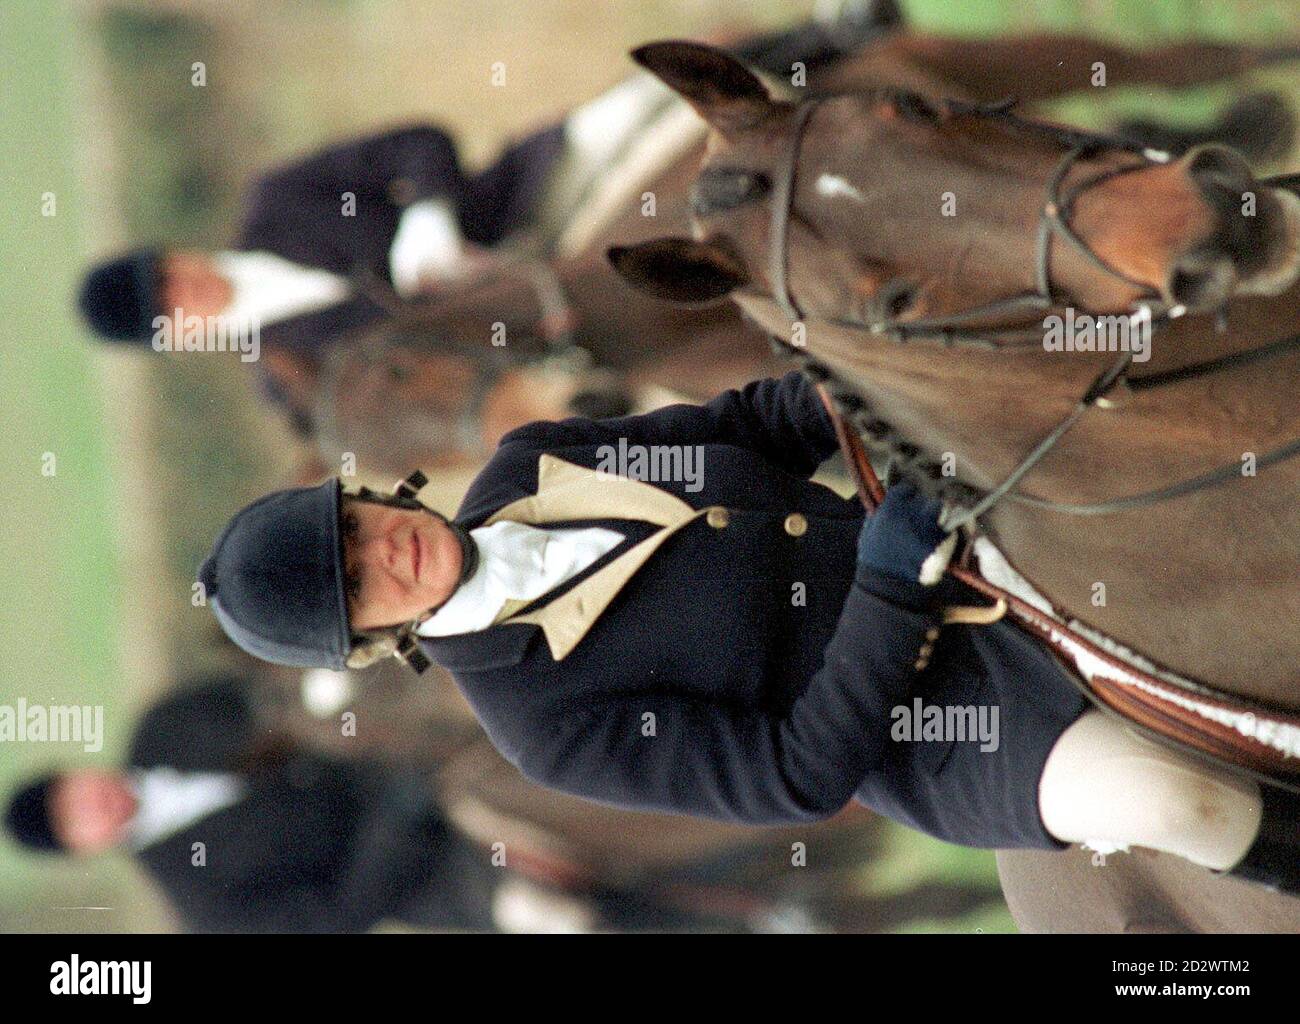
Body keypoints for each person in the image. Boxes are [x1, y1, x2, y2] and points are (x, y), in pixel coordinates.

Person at [197, 371, 1300, 898]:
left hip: (928, 517)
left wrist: (862, 378)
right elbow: (794, 773)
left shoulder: (531, 463)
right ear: (366, 643)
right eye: (356, 584)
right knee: (1169, 801)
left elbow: (747, 425)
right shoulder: (538, 722)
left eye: (354, 527)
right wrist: (883, 591)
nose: (381, 550)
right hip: (945, 724)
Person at [73, 9, 904, 436]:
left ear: (175, 253)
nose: (190, 293)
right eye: (173, 311)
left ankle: (824, 39)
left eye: (172, 277)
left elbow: (415, 140)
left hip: (523, 212)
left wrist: (427, 216)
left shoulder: (274, 203)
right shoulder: (289, 373)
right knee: (701, 421)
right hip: (555, 343)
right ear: (178, 337)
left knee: (629, 107)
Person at [4, 677, 498, 932]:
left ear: (75, 771)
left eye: (71, 793)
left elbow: (276, 694)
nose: (90, 805)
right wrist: (398, 822)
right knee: (543, 912)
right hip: (438, 870)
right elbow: (333, 917)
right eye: (75, 821)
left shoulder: (166, 723)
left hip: (396, 741)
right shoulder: (200, 905)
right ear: (84, 848)